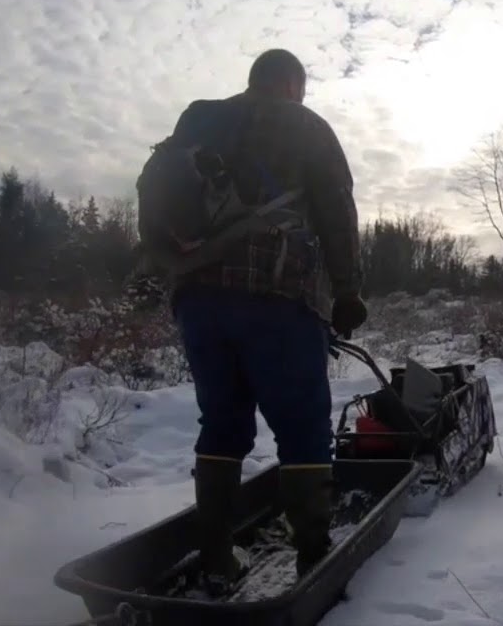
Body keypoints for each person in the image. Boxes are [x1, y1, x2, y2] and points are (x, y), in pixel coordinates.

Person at [156, 48, 367, 592]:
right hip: (276, 295)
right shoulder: (306, 126)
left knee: (222, 423)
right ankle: (315, 560)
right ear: (293, 85)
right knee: (302, 428)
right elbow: (338, 213)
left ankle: (217, 558)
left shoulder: (200, 117)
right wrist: (346, 290)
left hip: (197, 302)